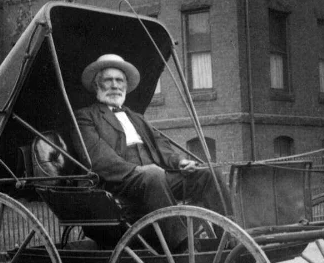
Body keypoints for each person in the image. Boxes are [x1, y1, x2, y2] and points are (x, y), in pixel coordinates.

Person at [74, 54, 230, 250]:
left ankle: (229, 240)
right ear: (97, 85)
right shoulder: (85, 117)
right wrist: (138, 171)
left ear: (125, 86)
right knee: (153, 174)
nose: (115, 85)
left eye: (119, 80)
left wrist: (179, 162)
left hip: (155, 180)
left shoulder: (136, 117)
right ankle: (183, 246)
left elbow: (160, 144)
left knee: (209, 174)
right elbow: (98, 157)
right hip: (118, 184)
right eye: (108, 80)